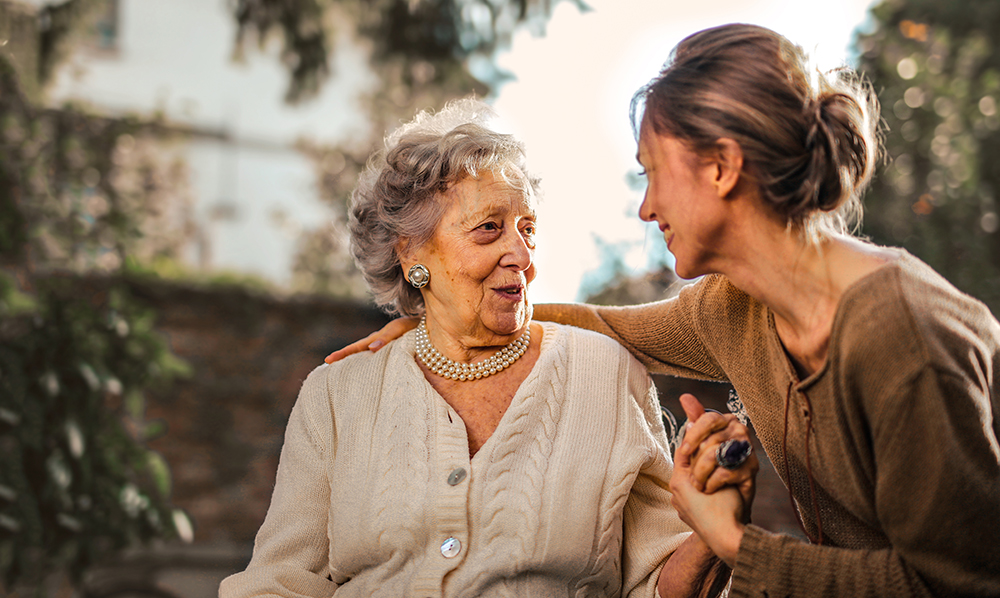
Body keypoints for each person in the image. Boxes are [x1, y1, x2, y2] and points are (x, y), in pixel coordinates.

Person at [327, 25, 1000, 597]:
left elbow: (959, 582)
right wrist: (442, 315)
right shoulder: (734, 307)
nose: (646, 207)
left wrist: (733, 540)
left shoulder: (901, 337)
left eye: (652, 171)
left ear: (722, 168)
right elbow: (601, 325)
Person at [220, 98, 746, 598]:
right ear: (411, 254)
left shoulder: (606, 375)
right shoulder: (338, 393)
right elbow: (280, 581)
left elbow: (658, 585)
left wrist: (711, 532)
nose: (520, 254)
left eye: (528, 229)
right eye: (489, 229)